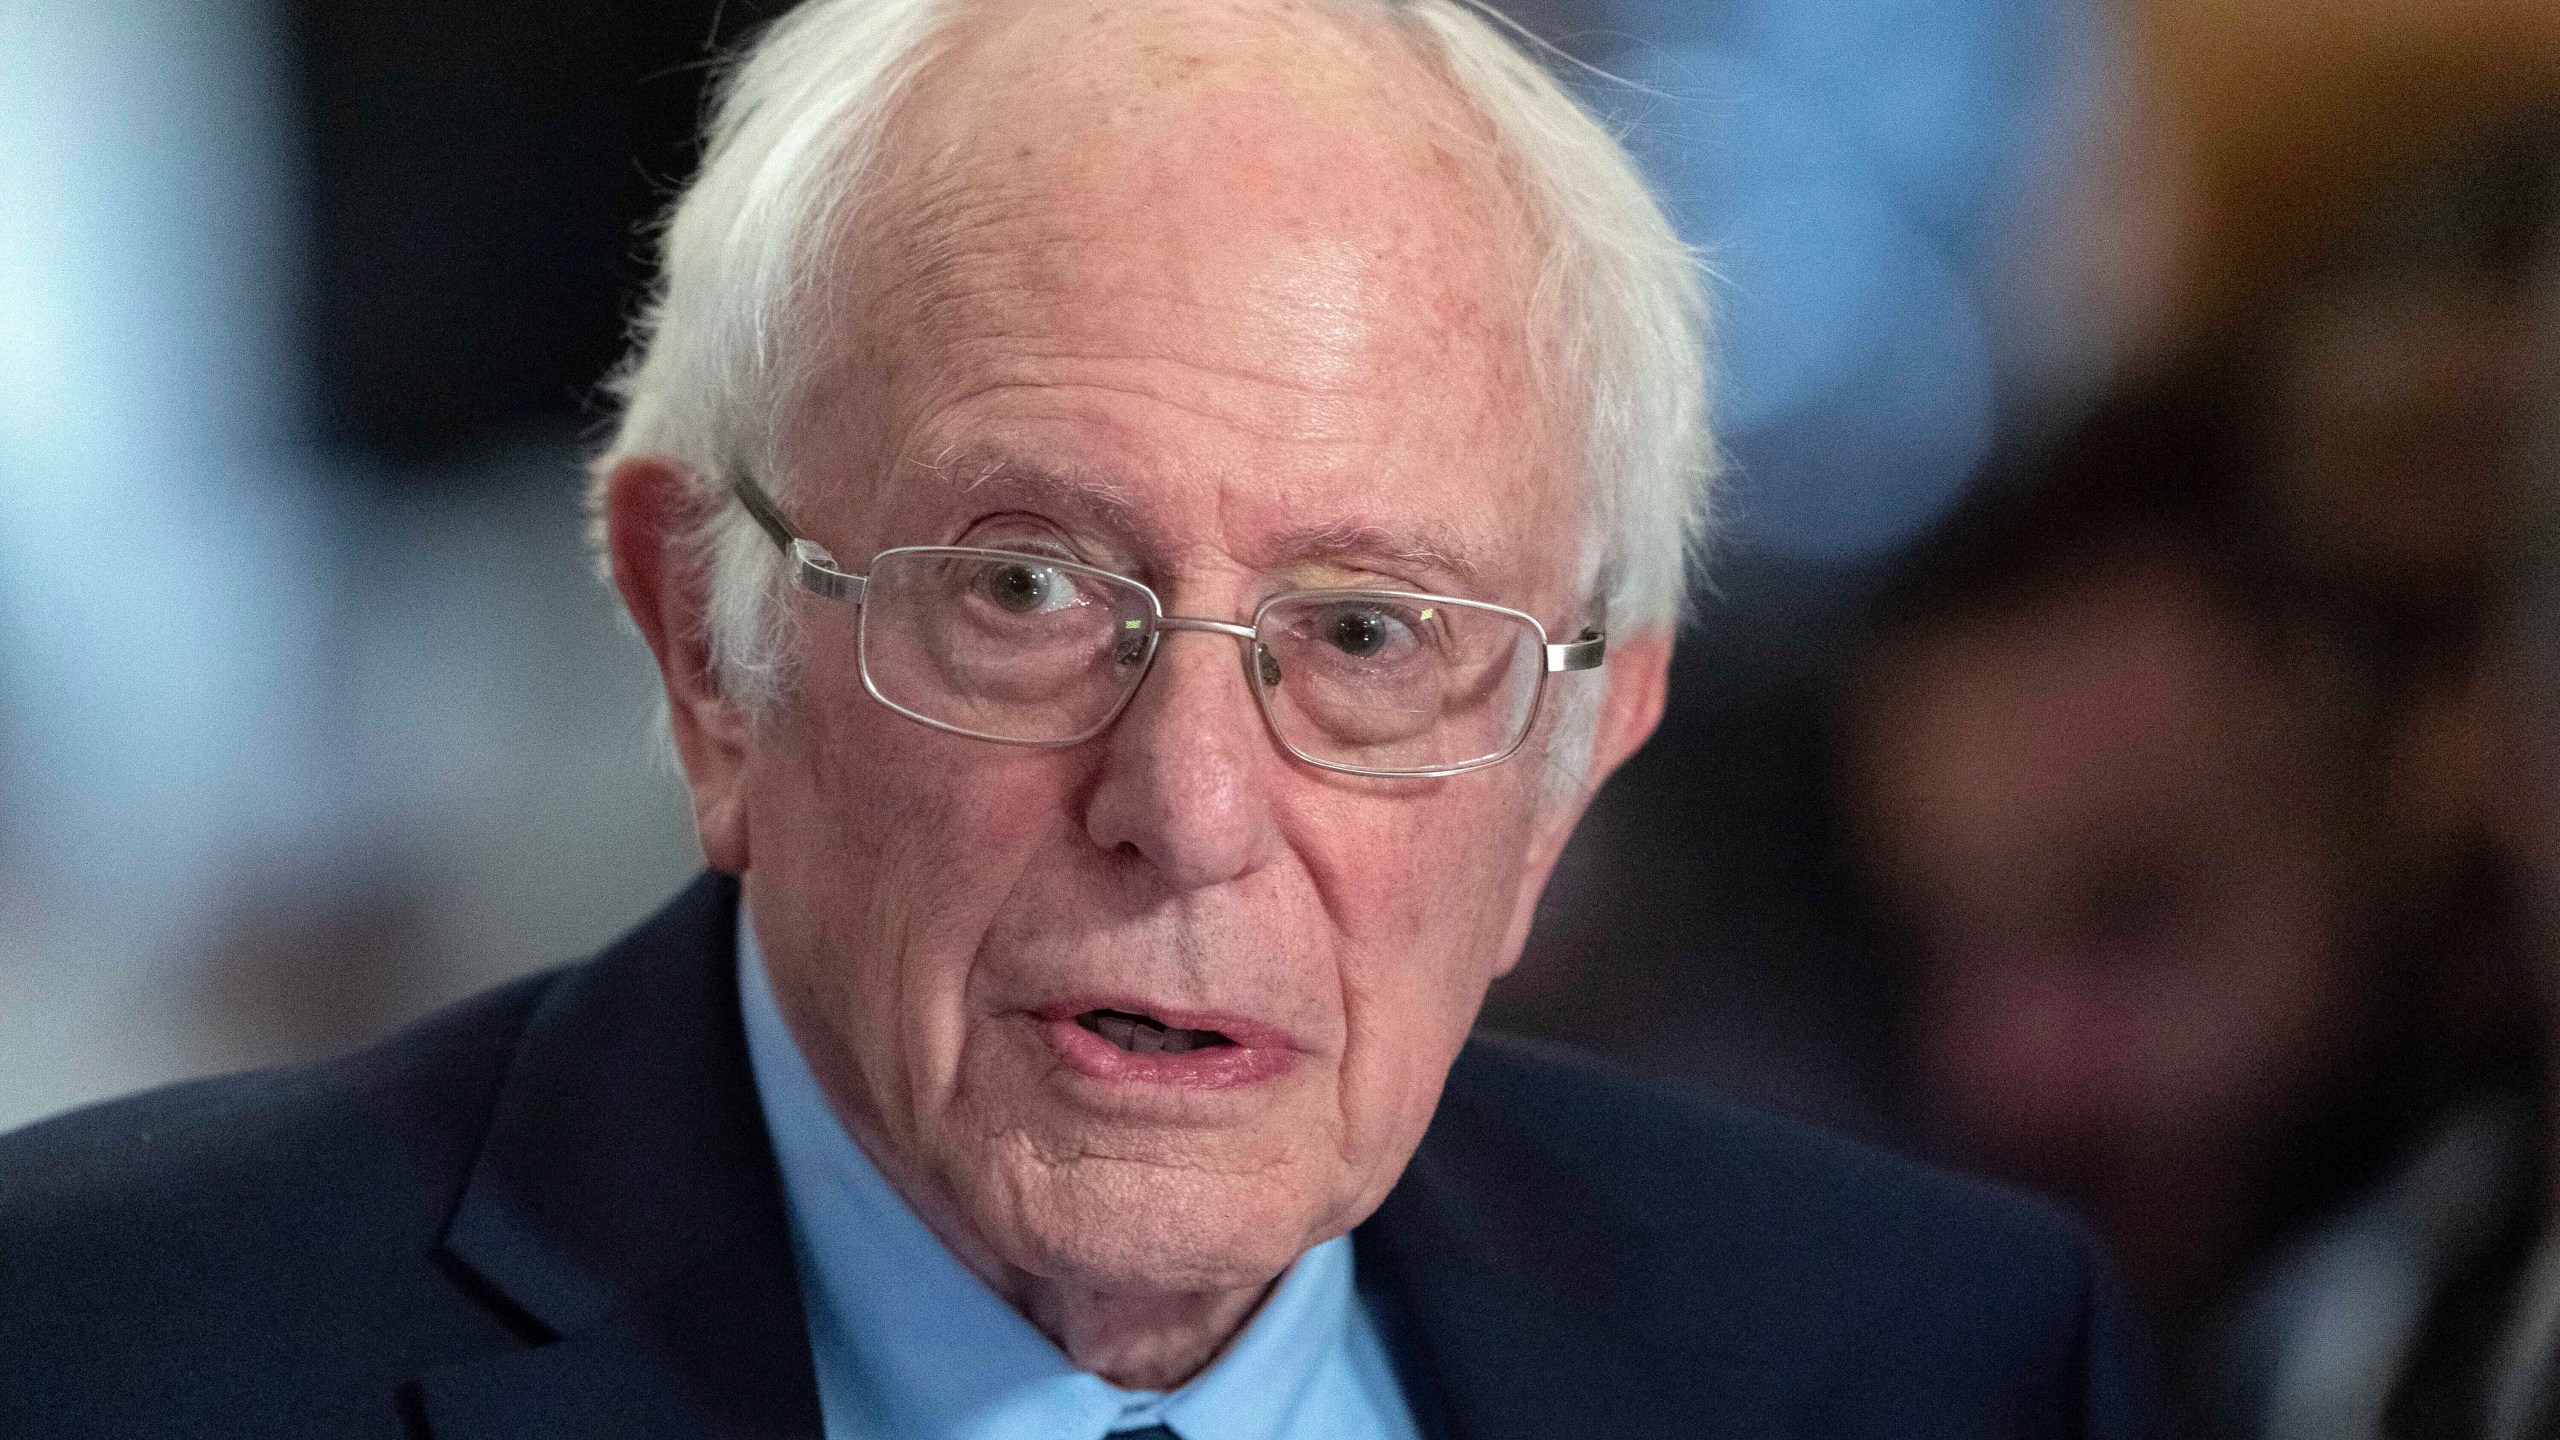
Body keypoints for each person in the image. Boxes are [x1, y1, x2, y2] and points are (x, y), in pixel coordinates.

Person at [0, 1, 2150, 1435]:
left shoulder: (1934, 1363)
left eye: (1371, 638)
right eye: (1023, 592)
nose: (1191, 809)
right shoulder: (96, 1349)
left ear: (1575, 754)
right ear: (701, 644)